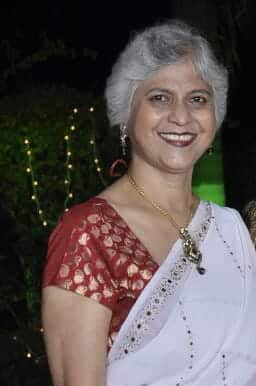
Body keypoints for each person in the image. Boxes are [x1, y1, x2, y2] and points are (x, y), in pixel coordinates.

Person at [42, 19, 256, 386]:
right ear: (126, 112)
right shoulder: (88, 233)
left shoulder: (232, 230)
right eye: (159, 97)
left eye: (198, 99)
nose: (181, 116)